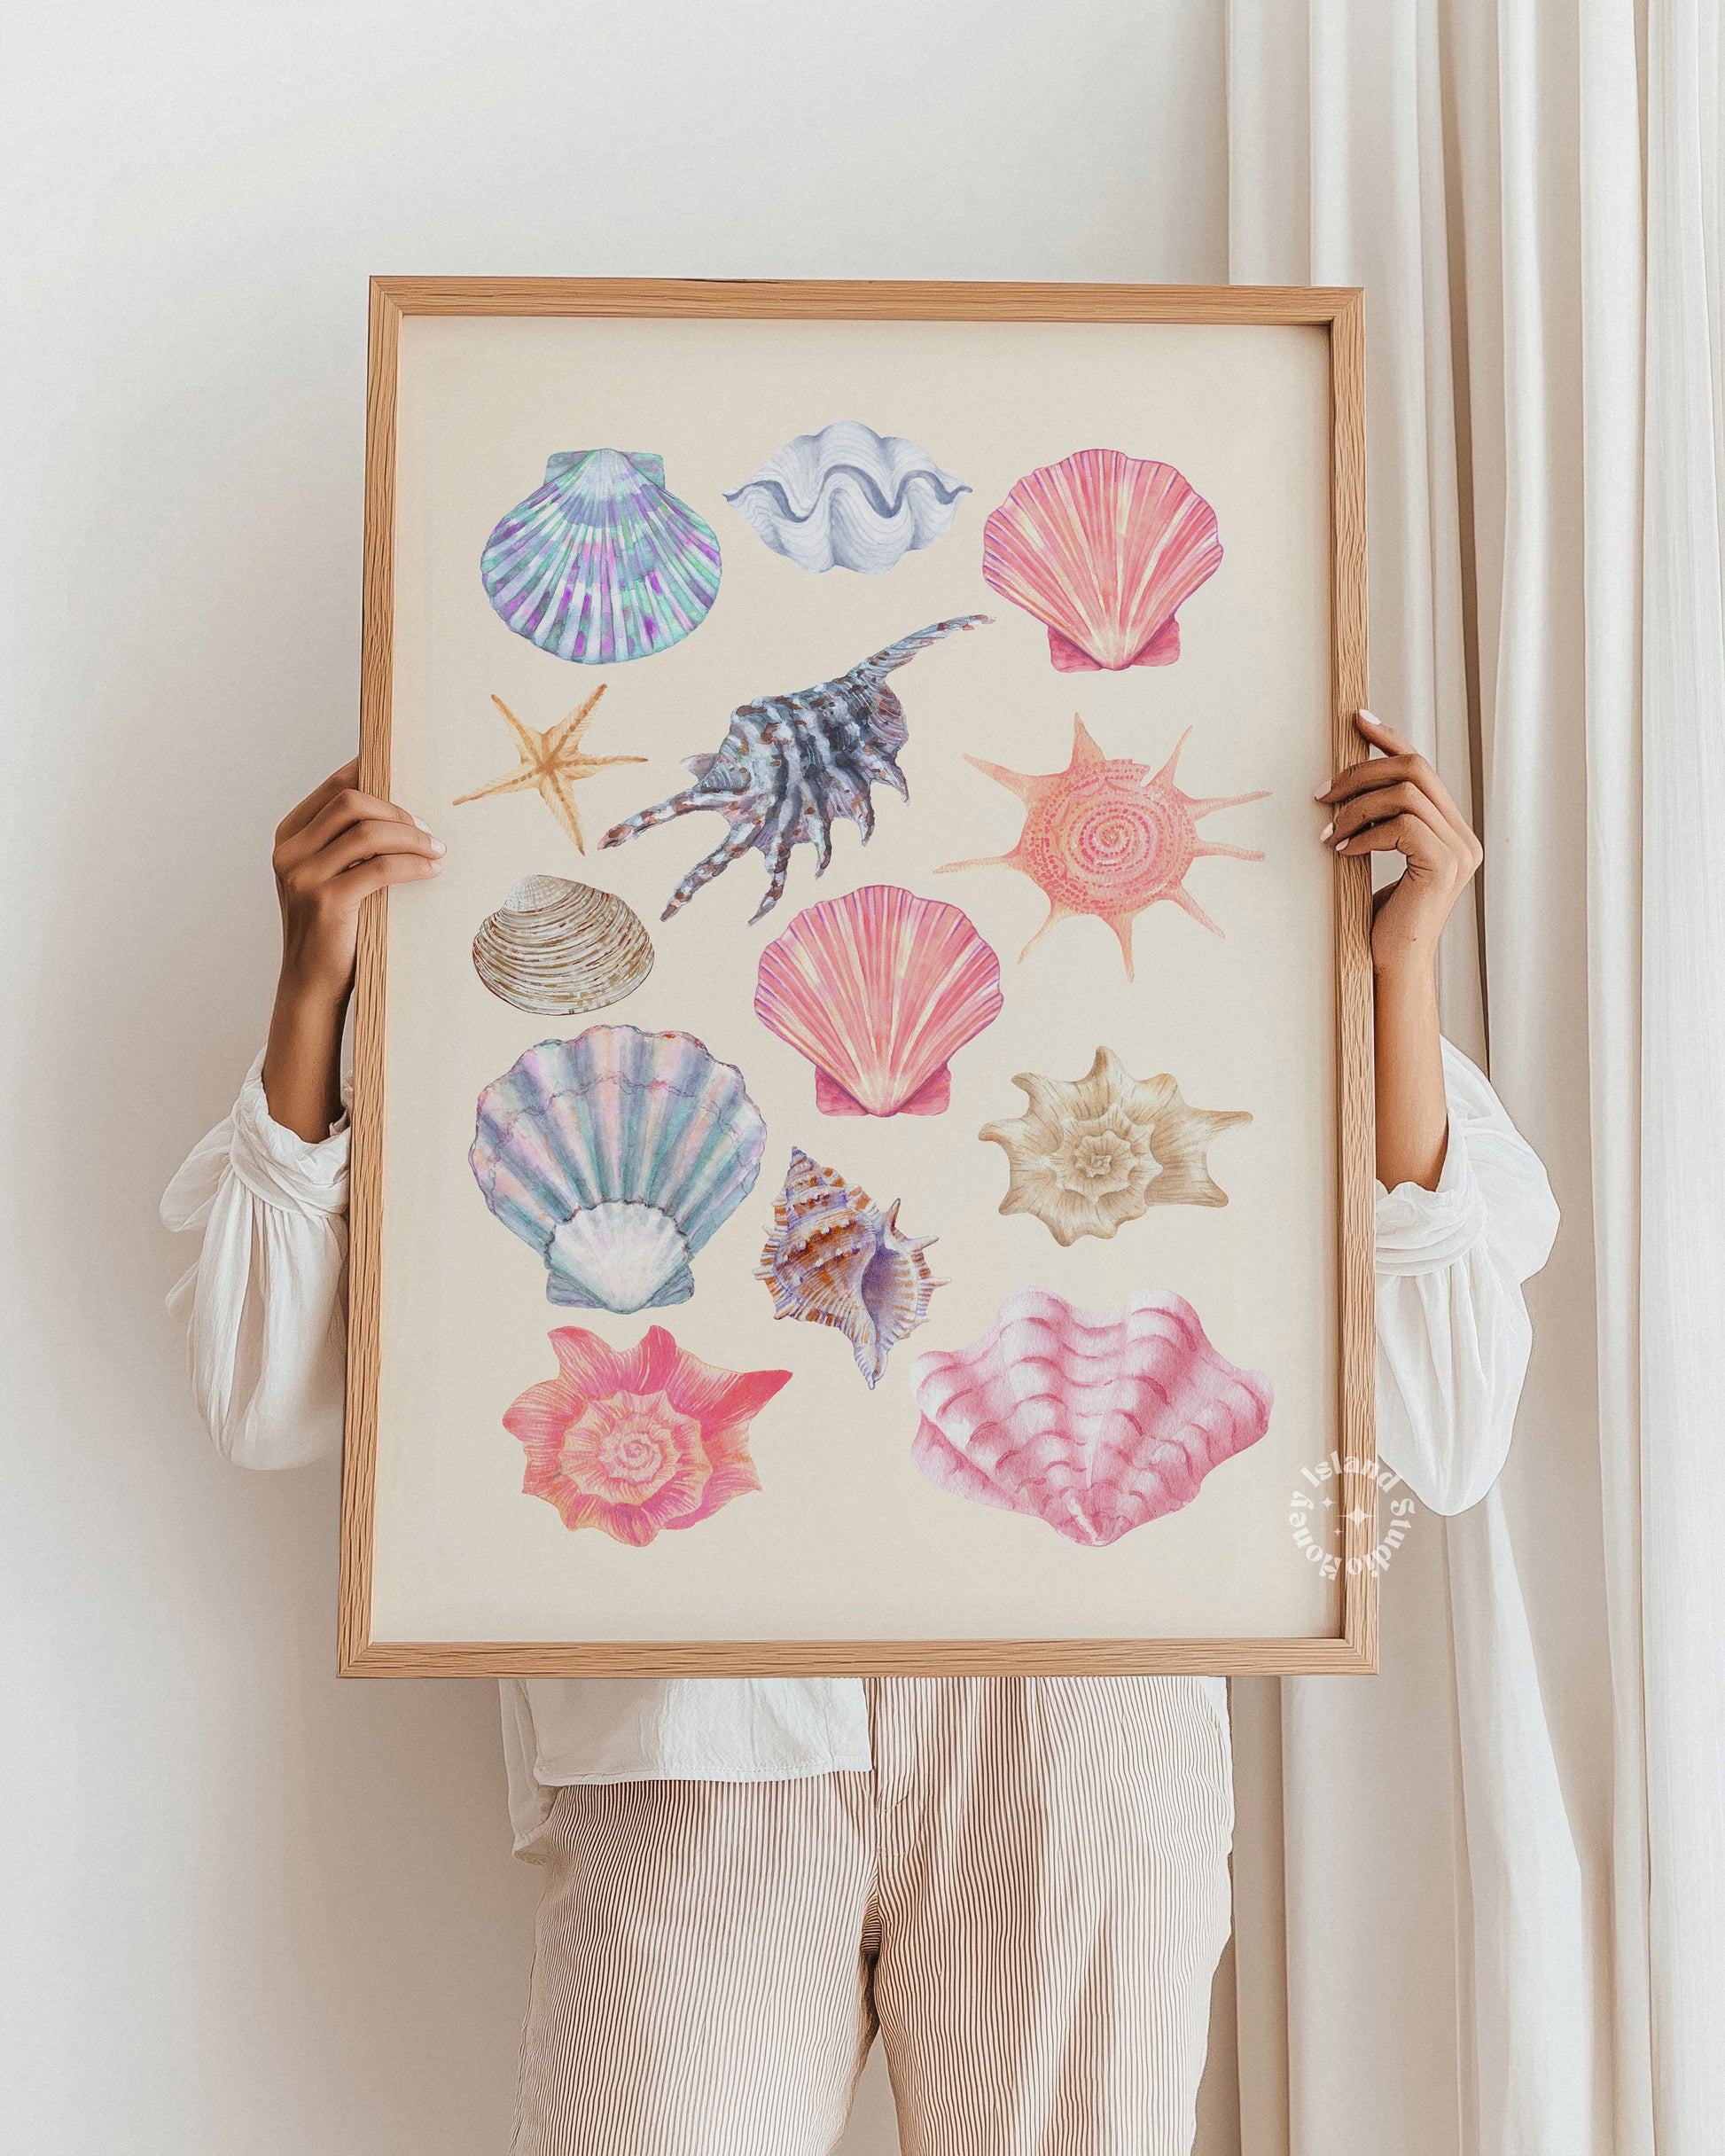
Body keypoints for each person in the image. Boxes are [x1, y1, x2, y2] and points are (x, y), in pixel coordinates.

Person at [161, 709, 1557, 2156]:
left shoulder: (1197, 957)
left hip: (1078, 1714)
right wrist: (315, 978)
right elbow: (267, 1396)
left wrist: (1391, 972)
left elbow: (1444, 1434)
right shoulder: (536, 935)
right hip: (700, 1715)